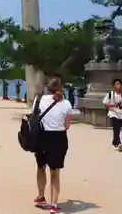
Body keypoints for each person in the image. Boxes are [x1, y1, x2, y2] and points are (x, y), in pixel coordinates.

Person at [33, 77, 73, 214]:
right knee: (55, 173)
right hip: (58, 138)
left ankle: (41, 196)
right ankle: (54, 205)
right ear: (61, 88)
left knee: (41, 167)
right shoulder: (67, 103)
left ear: (48, 88)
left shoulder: (39, 100)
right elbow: (67, 126)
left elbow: (34, 117)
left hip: (42, 137)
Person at [102, 78, 122, 152]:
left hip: (121, 114)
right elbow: (105, 104)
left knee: (118, 129)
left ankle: (114, 141)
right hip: (113, 113)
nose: (118, 85)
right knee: (115, 128)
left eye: (119, 84)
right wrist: (114, 104)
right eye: (117, 84)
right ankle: (118, 143)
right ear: (114, 86)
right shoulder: (110, 94)